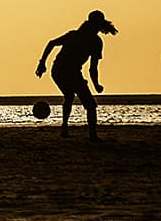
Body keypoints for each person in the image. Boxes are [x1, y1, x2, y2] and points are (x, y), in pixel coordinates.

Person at [36, 10, 116, 139]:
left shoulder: (96, 42)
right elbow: (52, 43)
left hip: (72, 72)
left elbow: (93, 68)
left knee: (77, 100)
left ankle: (72, 130)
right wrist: (42, 63)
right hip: (59, 70)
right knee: (82, 101)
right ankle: (85, 134)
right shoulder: (74, 35)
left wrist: (96, 84)